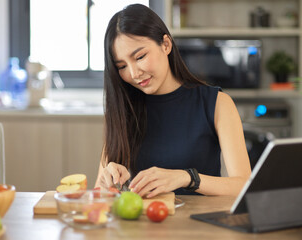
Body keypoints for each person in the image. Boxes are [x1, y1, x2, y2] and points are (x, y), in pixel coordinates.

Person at [95, 4, 251, 198]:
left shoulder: (217, 103)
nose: (134, 73)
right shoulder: (122, 109)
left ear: (166, 44)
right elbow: (100, 195)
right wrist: (110, 182)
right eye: (122, 66)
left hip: (199, 225)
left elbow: (244, 185)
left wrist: (187, 178)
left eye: (140, 56)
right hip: (138, 226)